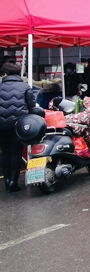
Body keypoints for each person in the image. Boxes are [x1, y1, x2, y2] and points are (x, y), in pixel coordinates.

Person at [0, 63, 43, 192]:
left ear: (5, 74)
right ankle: (13, 181)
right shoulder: (25, 87)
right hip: (18, 125)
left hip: (1, 125)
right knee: (16, 152)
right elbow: (31, 107)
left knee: (5, 152)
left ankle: (7, 180)